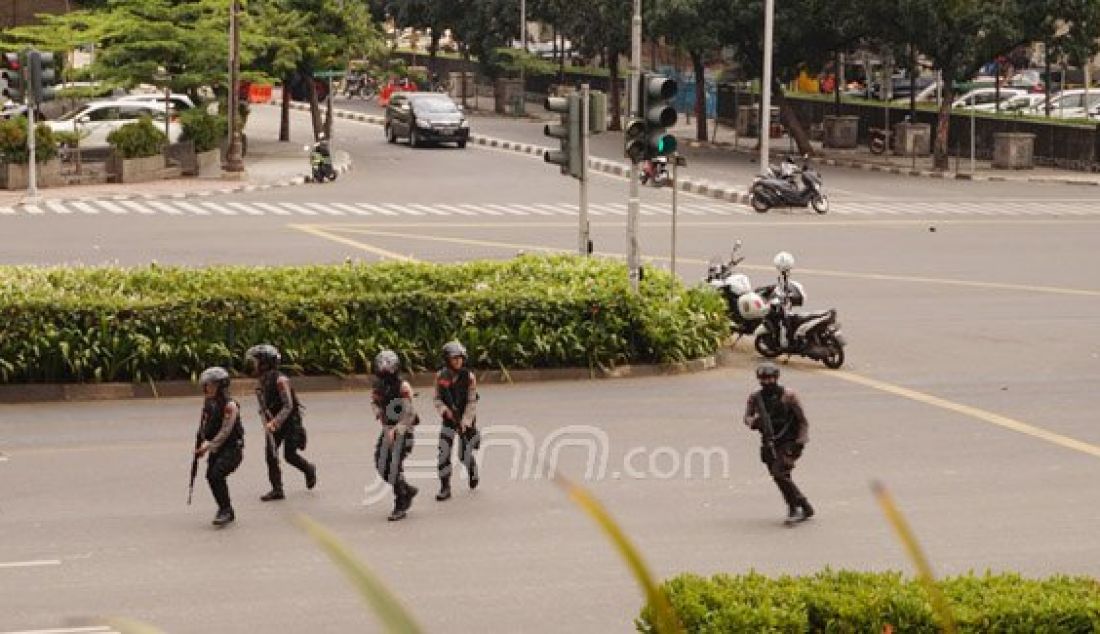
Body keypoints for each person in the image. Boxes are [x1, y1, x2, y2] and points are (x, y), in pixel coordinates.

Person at [742, 362, 814, 524]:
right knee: (781, 476)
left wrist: (801, 441)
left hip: (789, 440)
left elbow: (802, 421)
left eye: (770, 378)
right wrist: (754, 422)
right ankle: (794, 507)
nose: (767, 382)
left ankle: (803, 503)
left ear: (776, 378)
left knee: (779, 472)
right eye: (763, 379)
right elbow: (746, 417)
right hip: (770, 441)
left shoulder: (788, 395)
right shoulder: (756, 397)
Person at [245, 344, 317, 502]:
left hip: (290, 421)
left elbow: (288, 405)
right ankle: (277, 489)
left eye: (256, 361)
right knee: (270, 454)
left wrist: (275, 423)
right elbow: (263, 406)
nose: (254, 365)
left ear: (265, 363)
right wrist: (267, 422)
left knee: (290, 455)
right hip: (273, 422)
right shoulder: (261, 381)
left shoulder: (280, 380)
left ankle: (309, 469)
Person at [371, 350, 419, 521]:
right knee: (380, 463)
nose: (384, 370)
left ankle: (401, 502)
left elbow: (409, 414)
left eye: (387, 366)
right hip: (387, 430)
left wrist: (396, 430)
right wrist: (379, 413)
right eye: (381, 366)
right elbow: (374, 402)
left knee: (393, 466)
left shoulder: (403, 387)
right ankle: (407, 489)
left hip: (404, 431)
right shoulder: (378, 386)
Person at [194, 367, 245, 526]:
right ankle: (224, 508)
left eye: (209, 385)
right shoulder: (210, 402)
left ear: (219, 386)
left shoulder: (230, 405)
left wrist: (207, 447)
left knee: (216, 474)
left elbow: (225, 431)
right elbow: (205, 425)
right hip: (218, 448)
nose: (205, 388)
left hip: (232, 449)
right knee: (211, 476)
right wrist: (200, 441)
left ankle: (226, 511)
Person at [433, 341, 480, 501]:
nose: (458, 361)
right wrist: (444, 411)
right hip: (448, 419)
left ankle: (472, 468)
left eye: (460, 358)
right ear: (447, 360)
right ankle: (445, 487)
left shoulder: (469, 377)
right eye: (454, 358)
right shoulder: (441, 376)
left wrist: (466, 422)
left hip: (466, 418)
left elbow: (472, 401)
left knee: (463, 454)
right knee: (443, 452)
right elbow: (437, 399)